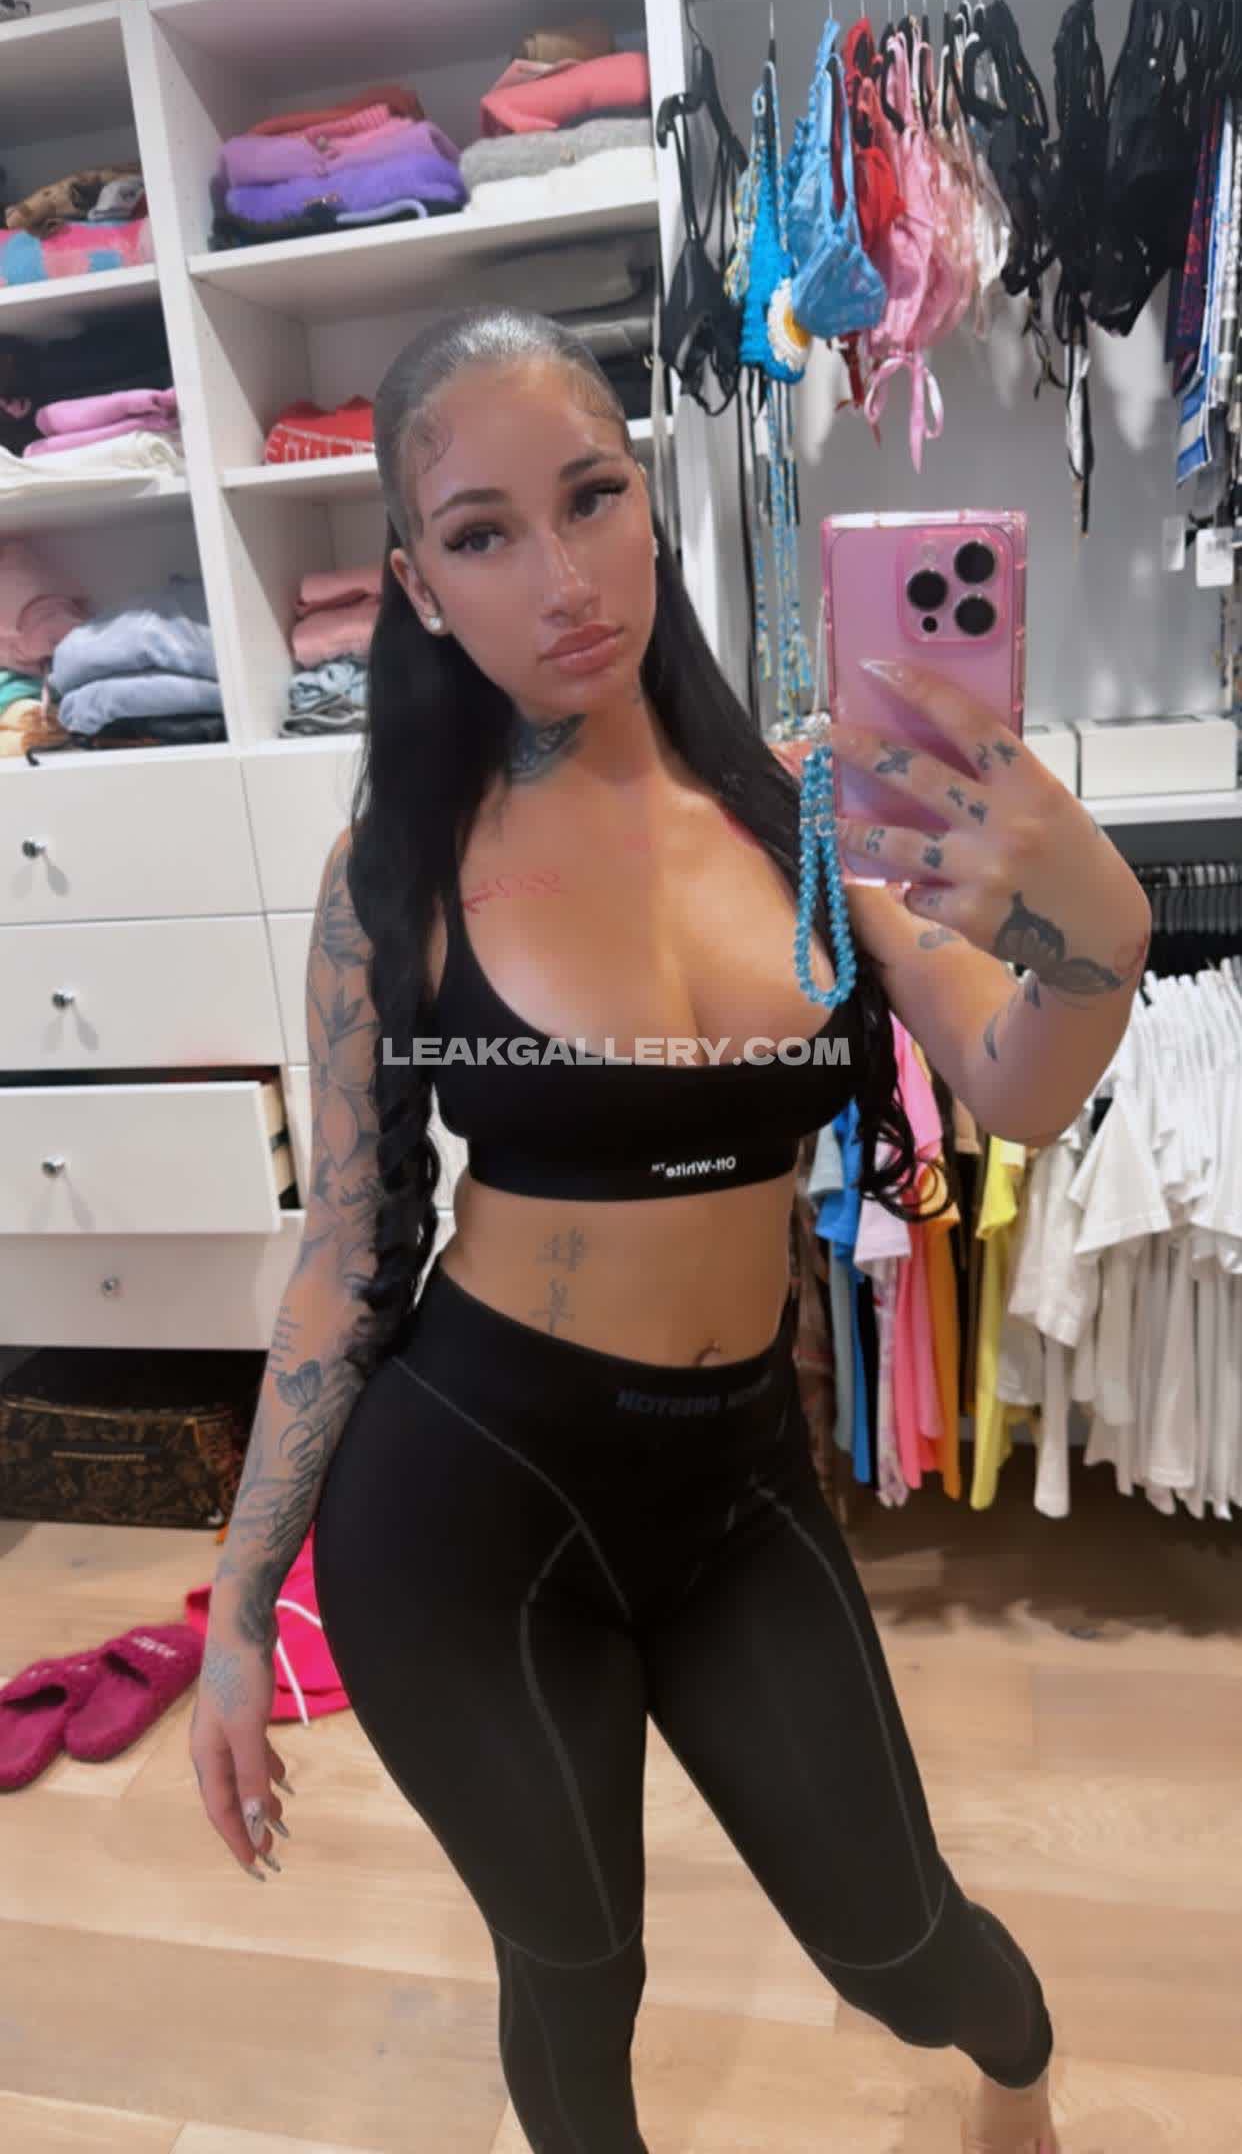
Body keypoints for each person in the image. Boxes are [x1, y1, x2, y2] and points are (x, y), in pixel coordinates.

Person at [189, 305, 1152, 2154]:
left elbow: (1017, 1085)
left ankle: (1016, 2091)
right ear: (417, 587)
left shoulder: (812, 814)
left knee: (904, 1949)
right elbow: (346, 1255)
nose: (561, 579)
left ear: (648, 503)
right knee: (575, 1976)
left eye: (590, 498)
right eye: (482, 534)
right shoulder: (395, 872)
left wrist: (1091, 931)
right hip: (466, 1505)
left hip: (731, 1483)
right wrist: (238, 1617)